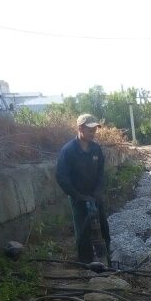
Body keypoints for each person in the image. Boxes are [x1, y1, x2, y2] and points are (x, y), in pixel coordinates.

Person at [56, 113, 111, 264]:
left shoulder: (96, 149)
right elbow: (61, 176)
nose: (93, 133)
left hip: (95, 198)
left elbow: (101, 173)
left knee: (103, 230)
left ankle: (107, 262)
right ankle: (86, 265)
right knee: (83, 234)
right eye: (90, 130)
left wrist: (97, 192)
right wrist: (77, 195)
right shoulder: (68, 151)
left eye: (95, 130)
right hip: (79, 199)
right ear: (80, 128)